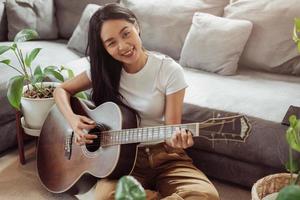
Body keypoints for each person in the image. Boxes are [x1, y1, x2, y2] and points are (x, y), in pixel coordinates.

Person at [53, 3, 219, 200]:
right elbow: (60, 89)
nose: (123, 46)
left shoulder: (169, 71)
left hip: (165, 156)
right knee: (104, 197)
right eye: (111, 43)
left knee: (207, 196)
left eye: (126, 34)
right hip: (117, 160)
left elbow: (172, 130)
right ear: (104, 48)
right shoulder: (102, 72)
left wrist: (177, 140)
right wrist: (73, 121)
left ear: (136, 27)